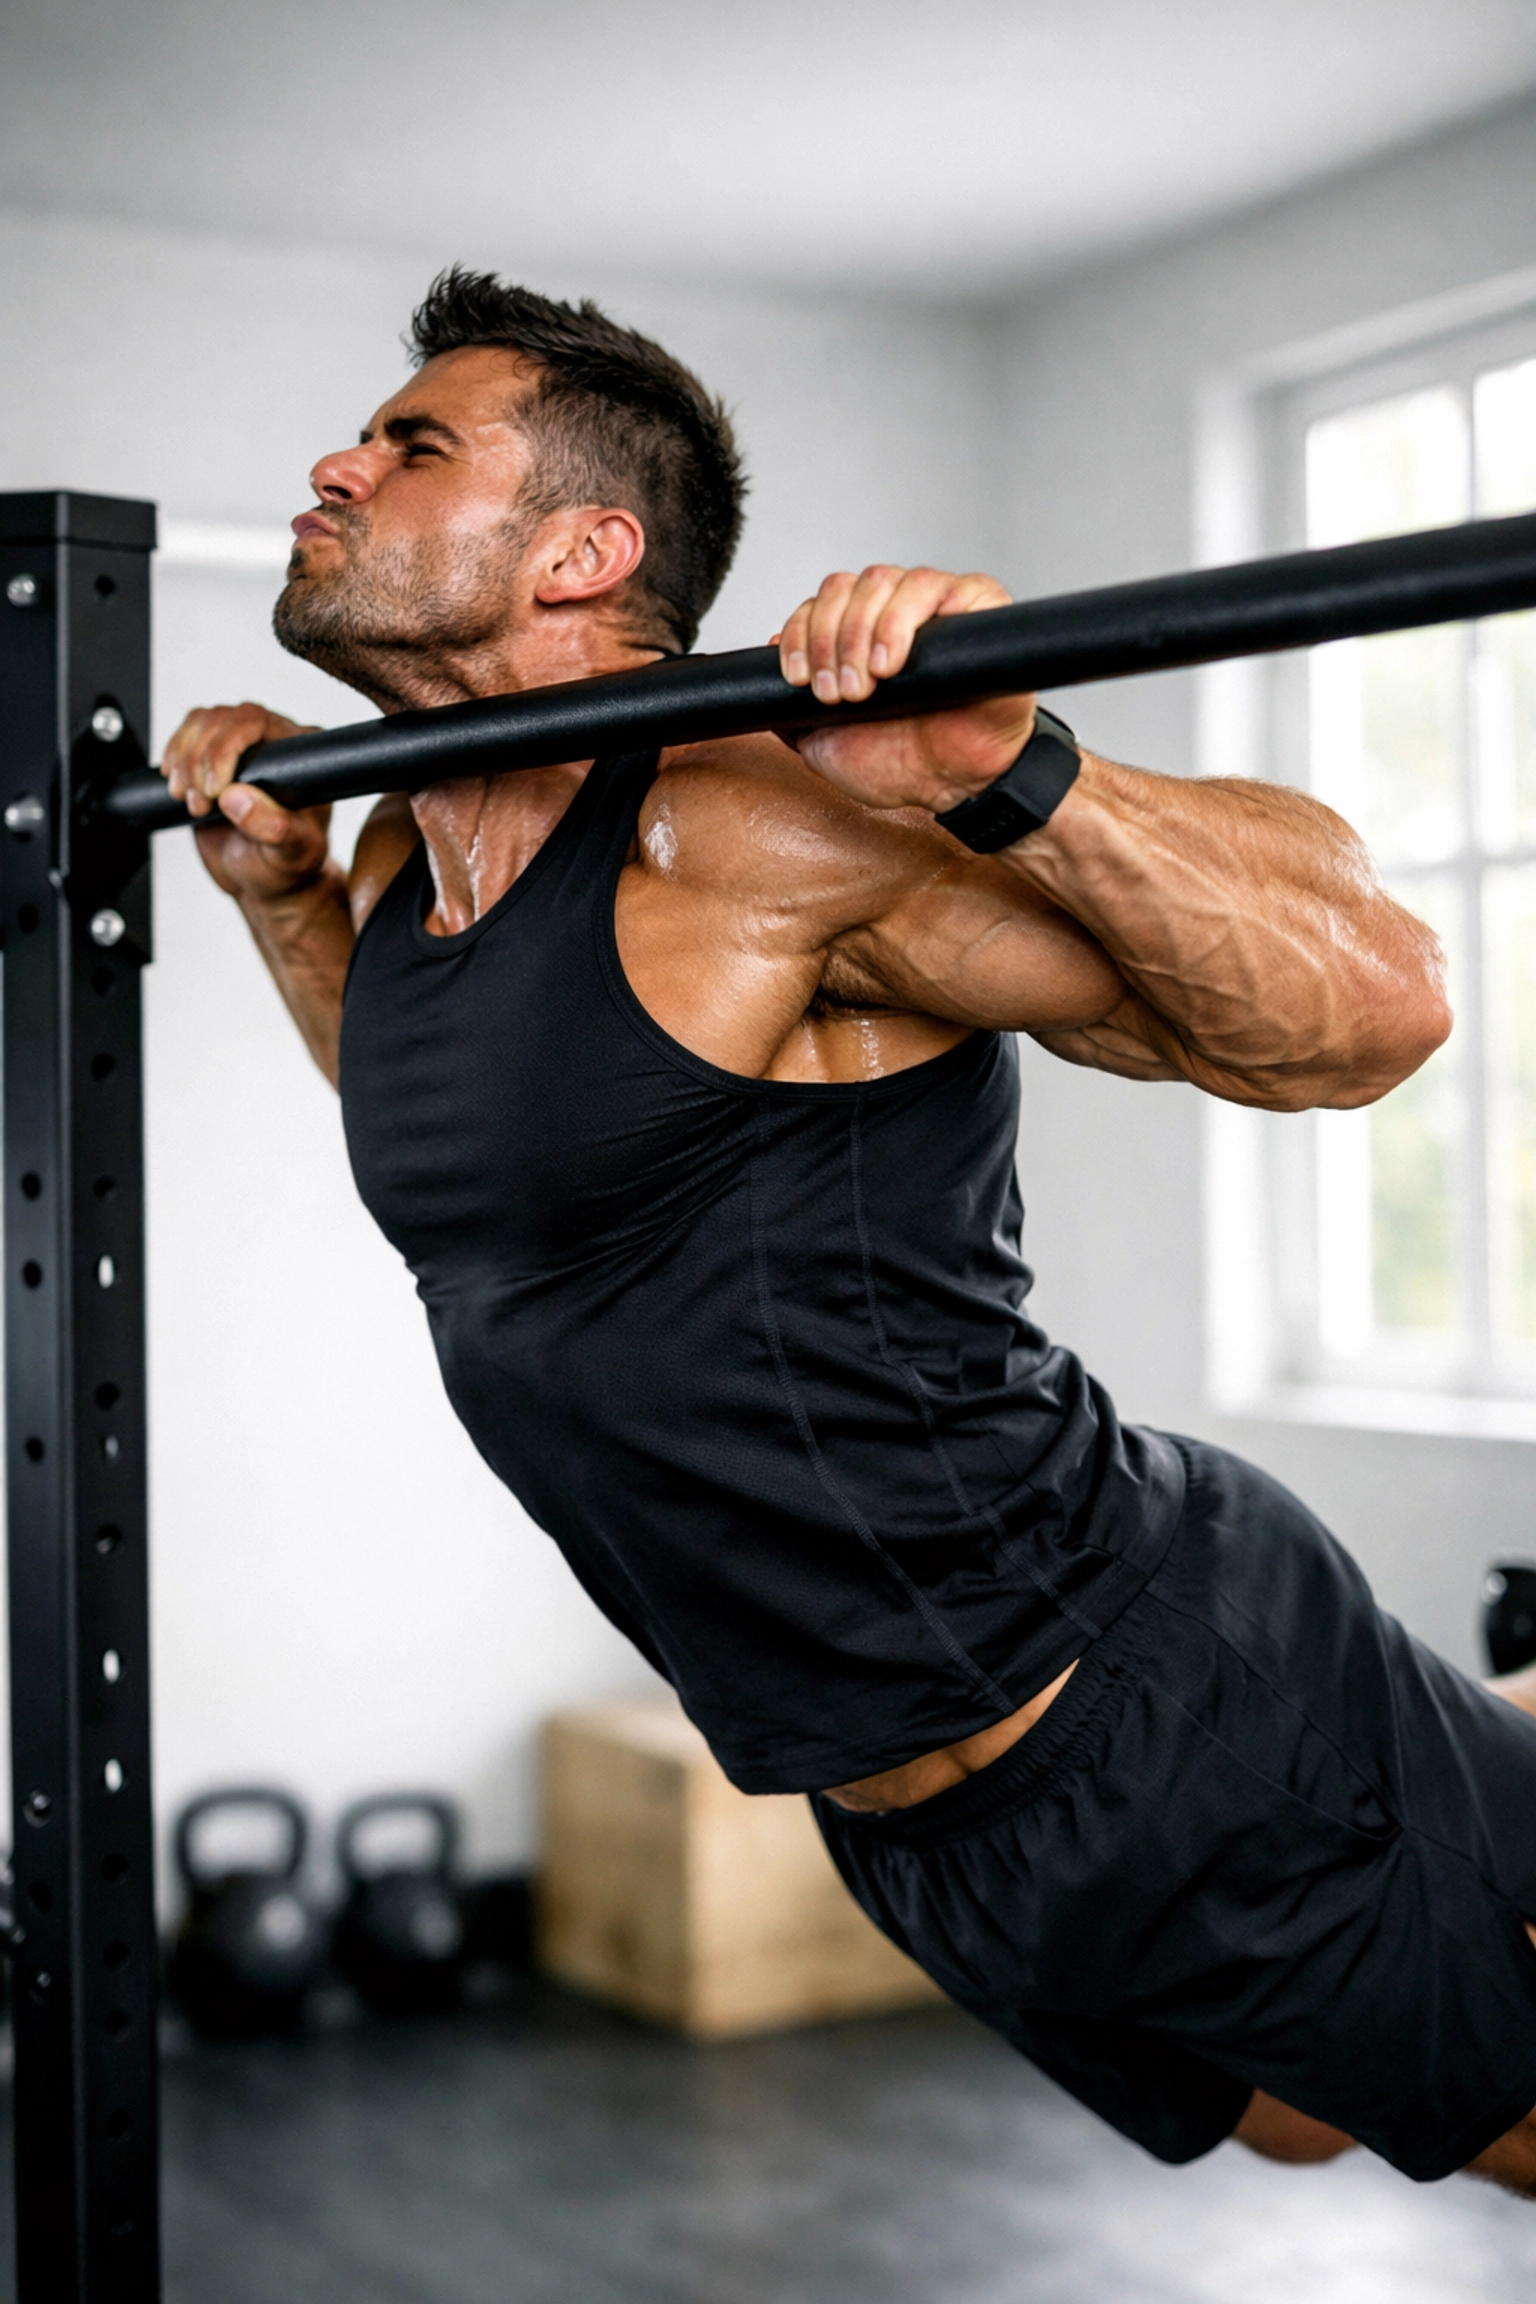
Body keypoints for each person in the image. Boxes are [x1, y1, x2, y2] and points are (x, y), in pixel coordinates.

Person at [163, 268, 1536, 2196]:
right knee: (1298, 2121)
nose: (339, 462)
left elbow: (1374, 1011)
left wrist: (1007, 767)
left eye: (412, 444)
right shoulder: (404, 854)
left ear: (585, 550)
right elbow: (495, 1168)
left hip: (1126, 1696)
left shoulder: (752, 828)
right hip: (892, 1813)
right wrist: (282, 895)